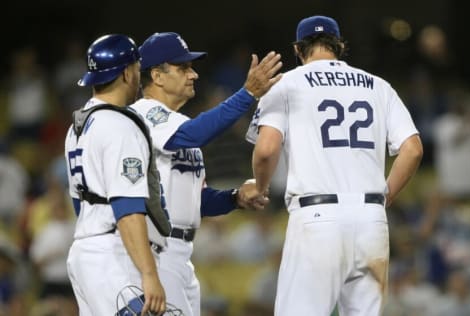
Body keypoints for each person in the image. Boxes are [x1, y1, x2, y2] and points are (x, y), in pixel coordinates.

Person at [245, 15, 424, 316]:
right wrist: (384, 196)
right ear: (339, 46)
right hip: (372, 221)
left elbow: (266, 151)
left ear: (298, 50)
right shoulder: (378, 86)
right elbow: (413, 149)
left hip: (317, 217)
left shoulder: (285, 83)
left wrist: (259, 187)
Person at [130, 32, 282, 316]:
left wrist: (235, 198)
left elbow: (196, 201)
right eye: (183, 68)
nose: (194, 75)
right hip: (156, 252)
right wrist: (247, 93)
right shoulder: (142, 115)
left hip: (181, 254)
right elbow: (195, 133)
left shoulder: (177, 127)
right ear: (157, 76)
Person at [64, 34, 166, 315]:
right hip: (113, 256)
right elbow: (127, 206)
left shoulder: (77, 126)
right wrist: (149, 273)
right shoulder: (119, 126)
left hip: (86, 253)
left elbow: (79, 203)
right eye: (136, 67)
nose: (138, 73)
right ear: (126, 72)